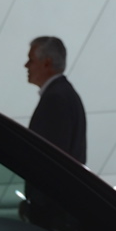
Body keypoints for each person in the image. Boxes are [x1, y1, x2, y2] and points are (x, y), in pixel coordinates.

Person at [25, 36, 85, 164]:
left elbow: (50, 155)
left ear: (47, 63)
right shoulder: (66, 93)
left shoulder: (55, 99)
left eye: (31, 60)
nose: (26, 65)